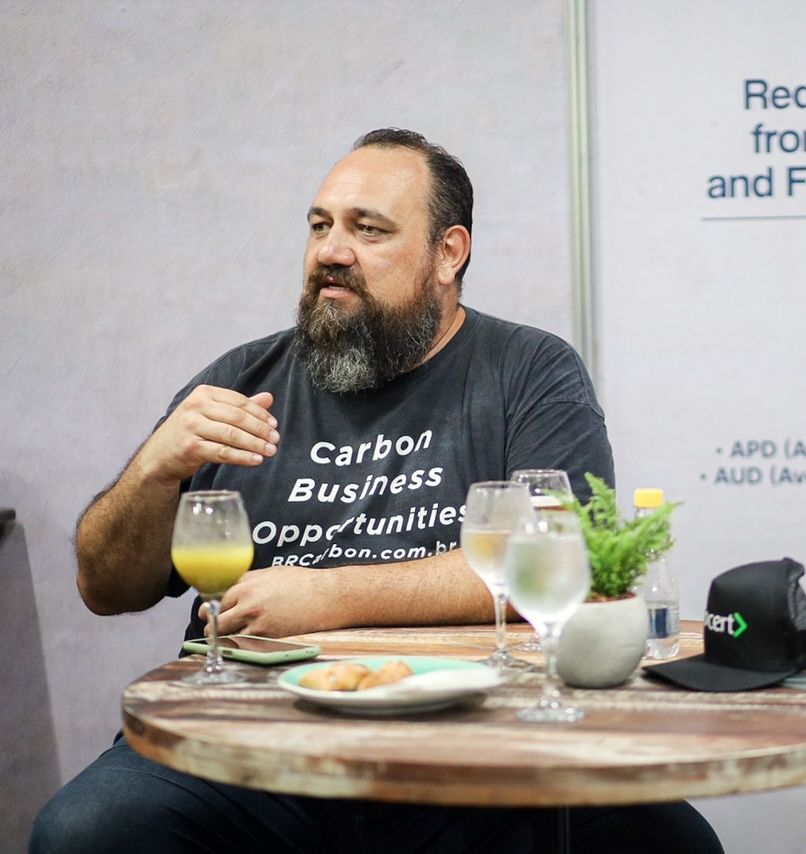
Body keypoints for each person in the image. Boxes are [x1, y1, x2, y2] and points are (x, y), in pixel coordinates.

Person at [32, 129, 722, 853]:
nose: (332, 250)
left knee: (664, 840)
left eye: (369, 229)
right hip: (248, 750)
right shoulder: (242, 380)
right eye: (320, 225)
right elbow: (106, 588)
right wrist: (153, 469)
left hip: (478, 752)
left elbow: (559, 562)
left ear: (448, 254)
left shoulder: (527, 371)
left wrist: (330, 596)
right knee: (85, 830)